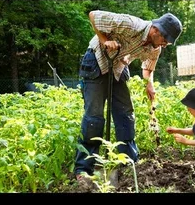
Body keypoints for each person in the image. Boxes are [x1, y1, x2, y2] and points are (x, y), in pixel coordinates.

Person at [75, 10, 183, 186]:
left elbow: (148, 67)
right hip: (96, 60)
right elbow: (93, 15)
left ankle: (128, 162)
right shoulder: (131, 24)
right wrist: (105, 41)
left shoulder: (155, 48)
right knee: (94, 117)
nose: (165, 44)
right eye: (165, 40)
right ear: (156, 30)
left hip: (117, 65)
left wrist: (149, 84)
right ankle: (83, 169)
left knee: (125, 114)